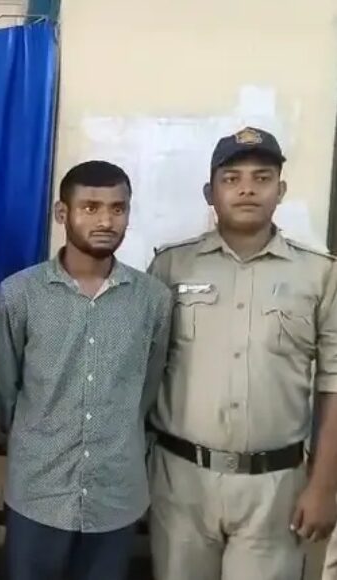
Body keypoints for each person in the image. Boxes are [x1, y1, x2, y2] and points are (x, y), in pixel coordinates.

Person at [147, 127, 337, 580]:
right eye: (232, 179)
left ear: (281, 190)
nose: (247, 189)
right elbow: (142, 370)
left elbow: (332, 384)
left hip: (275, 488)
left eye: (262, 177)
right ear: (209, 193)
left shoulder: (319, 274)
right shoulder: (169, 267)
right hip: (180, 480)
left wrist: (324, 486)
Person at [0, 160, 172, 580]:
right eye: (90, 207)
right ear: (62, 213)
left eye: (117, 208)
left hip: (115, 496)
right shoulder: (19, 294)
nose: (106, 221)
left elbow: (148, 387)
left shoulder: (153, 300)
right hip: (38, 492)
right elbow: (6, 391)